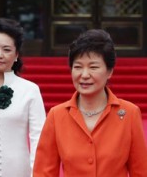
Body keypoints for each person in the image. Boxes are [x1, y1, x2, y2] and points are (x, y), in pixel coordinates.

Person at [33, 29, 147, 177]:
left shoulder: (129, 113)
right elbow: (43, 172)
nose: (84, 75)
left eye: (93, 67)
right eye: (78, 67)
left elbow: (141, 171)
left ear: (109, 71)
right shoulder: (57, 115)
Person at [0, 18, 46, 177]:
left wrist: (36, 173)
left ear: (16, 55)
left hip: (20, 171)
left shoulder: (30, 90)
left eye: (6, 50)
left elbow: (39, 139)